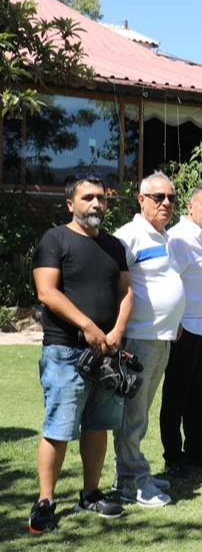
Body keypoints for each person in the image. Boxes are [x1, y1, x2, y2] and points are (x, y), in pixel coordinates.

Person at [28, 176, 133, 533]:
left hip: (106, 352)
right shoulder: (55, 239)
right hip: (66, 350)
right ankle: (45, 502)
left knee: (98, 424)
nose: (96, 204)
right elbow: (47, 292)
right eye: (87, 197)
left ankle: (90, 494)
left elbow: (126, 292)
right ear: (70, 204)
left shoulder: (114, 246)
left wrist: (117, 331)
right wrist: (88, 326)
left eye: (101, 198)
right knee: (58, 427)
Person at [113, 172, 185, 508]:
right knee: (132, 414)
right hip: (139, 339)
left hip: (161, 338)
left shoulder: (165, 237)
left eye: (171, 197)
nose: (166, 203)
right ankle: (132, 482)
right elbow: (114, 285)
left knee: (140, 413)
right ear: (141, 200)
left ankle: (131, 472)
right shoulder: (129, 236)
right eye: (159, 197)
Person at [162, 183, 202, 477]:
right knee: (176, 396)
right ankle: (173, 456)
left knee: (199, 396)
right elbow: (169, 283)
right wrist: (175, 324)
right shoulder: (179, 238)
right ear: (190, 206)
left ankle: (195, 450)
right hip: (186, 330)